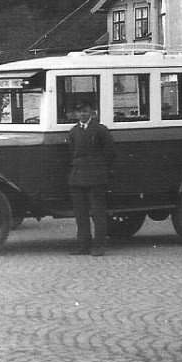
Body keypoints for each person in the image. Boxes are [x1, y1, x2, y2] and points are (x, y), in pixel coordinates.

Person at [67, 100, 116, 256]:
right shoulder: (74, 131)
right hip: (77, 177)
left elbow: (110, 152)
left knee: (97, 212)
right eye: (80, 112)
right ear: (76, 114)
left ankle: (99, 246)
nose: (82, 114)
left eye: (85, 111)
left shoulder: (100, 130)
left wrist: (99, 167)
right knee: (80, 214)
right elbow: (72, 152)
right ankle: (83, 245)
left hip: (95, 176)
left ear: (91, 113)